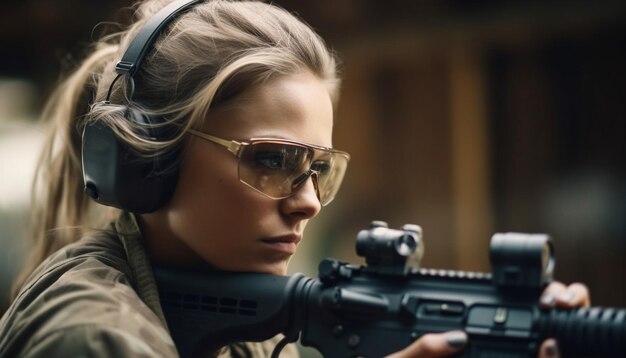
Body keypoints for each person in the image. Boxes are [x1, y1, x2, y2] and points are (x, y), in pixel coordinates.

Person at [0, 0, 590, 357]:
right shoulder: (91, 335)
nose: (307, 202)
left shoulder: (235, 316)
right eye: (271, 160)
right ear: (150, 161)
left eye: (319, 168)